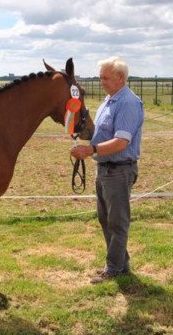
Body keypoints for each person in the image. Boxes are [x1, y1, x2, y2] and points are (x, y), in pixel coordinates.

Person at [70, 56, 144, 282]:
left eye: (105, 77)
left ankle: (113, 269)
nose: (101, 81)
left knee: (117, 221)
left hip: (119, 170)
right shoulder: (108, 102)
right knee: (105, 218)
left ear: (120, 77)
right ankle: (122, 265)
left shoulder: (128, 103)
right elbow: (100, 134)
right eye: (100, 77)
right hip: (105, 169)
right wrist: (80, 132)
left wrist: (90, 150)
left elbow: (122, 142)